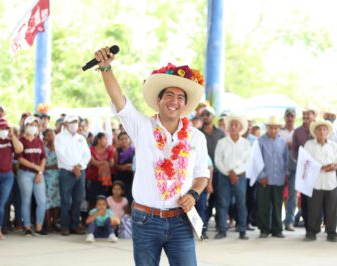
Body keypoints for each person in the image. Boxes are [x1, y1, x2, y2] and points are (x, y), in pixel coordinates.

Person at [95, 48, 209, 266]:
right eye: (169, 95)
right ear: (158, 100)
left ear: (184, 105)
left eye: (179, 97)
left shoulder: (196, 137)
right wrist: (105, 68)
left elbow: (202, 175)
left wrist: (193, 195)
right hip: (145, 219)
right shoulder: (143, 128)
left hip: (181, 220)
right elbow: (119, 101)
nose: (174, 101)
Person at [304, 120, 337, 242]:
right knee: (314, 208)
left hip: (330, 182)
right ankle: (312, 232)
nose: (321, 132)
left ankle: (331, 232)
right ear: (315, 132)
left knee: (331, 208)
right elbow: (305, 162)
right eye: (319, 129)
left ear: (327, 132)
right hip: (315, 182)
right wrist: (320, 167)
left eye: (324, 129)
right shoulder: (309, 145)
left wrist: (333, 167)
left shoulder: (333, 145)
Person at [214, 115, 251, 240]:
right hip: (224, 176)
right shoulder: (222, 142)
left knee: (241, 203)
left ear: (241, 128)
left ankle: (242, 230)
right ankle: (222, 230)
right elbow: (217, 160)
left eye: (236, 125)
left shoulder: (246, 143)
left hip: (240, 176)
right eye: (232, 125)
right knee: (223, 203)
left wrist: (235, 172)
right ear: (228, 127)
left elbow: (247, 161)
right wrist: (229, 172)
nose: (234, 127)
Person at [55, 115, 91, 236]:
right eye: (72, 122)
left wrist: (79, 166)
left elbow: (87, 155)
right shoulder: (59, 137)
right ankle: (64, 226)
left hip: (80, 172)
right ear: (65, 124)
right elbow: (61, 155)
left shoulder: (81, 138)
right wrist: (73, 167)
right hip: (66, 172)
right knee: (65, 200)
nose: (75, 124)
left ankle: (74, 225)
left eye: (76, 122)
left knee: (78, 200)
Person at [257, 116, 289, 238]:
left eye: (276, 128)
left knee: (277, 204)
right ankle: (264, 229)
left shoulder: (282, 142)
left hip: (279, 178)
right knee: (263, 205)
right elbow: (257, 160)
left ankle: (277, 229)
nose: (273, 130)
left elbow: (286, 159)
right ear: (267, 128)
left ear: (279, 128)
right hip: (265, 178)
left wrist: (286, 174)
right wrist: (262, 175)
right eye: (271, 128)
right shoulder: (260, 141)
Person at [16, 116, 47, 236]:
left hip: (38, 174)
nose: (34, 127)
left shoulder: (39, 140)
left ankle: (39, 228)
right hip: (25, 174)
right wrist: (36, 167)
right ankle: (27, 227)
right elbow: (20, 159)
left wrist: (40, 172)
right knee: (26, 200)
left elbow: (44, 157)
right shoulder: (21, 141)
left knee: (41, 201)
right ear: (26, 126)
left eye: (36, 125)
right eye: (31, 125)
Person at [200, 105, 225, 237]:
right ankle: (202, 229)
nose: (205, 116)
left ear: (213, 116)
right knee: (203, 202)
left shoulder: (220, 133)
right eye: (203, 114)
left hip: (219, 171)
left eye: (208, 114)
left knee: (220, 200)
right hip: (203, 171)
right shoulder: (198, 132)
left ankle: (221, 229)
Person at [291, 108, 316, 229]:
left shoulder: (318, 129)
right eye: (304, 114)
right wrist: (298, 161)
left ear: (314, 116)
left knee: (316, 199)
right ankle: (308, 227)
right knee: (305, 199)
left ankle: (315, 225)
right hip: (304, 169)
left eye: (308, 114)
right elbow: (294, 150)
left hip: (317, 170)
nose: (305, 116)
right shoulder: (297, 132)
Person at [279, 107, 297, 231]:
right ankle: (276, 221)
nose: (289, 118)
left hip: (295, 167)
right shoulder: (279, 131)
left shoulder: (298, 132)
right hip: (280, 167)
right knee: (278, 195)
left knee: (293, 195)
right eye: (288, 116)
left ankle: (289, 221)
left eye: (292, 116)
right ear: (285, 117)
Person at [86, 132, 115, 207]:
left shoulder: (109, 150)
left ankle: (101, 218)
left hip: (104, 181)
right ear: (99, 140)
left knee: (102, 200)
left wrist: (103, 163)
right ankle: (92, 217)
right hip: (92, 180)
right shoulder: (90, 150)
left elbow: (112, 163)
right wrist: (105, 162)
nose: (106, 141)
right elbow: (93, 162)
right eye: (105, 139)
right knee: (92, 200)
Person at [43, 129, 61, 232]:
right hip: (47, 177)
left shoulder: (59, 148)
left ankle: (54, 222)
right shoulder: (44, 149)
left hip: (57, 177)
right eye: (49, 135)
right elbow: (41, 163)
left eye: (53, 135)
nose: (51, 137)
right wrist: (50, 166)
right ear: (45, 137)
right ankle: (48, 223)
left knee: (57, 200)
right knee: (47, 201)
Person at [114, 132, 135, 202]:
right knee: (119, 197)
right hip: (120, 177)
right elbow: (115, 165)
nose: (124, 140)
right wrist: (124, 167)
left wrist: (132, 166)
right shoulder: (117, 151)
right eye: (121, 139)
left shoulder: (133, 150)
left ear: (129, 139)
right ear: (119, 141)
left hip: (131, 177)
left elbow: (136, 164)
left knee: (129, 198)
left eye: (126, 138)